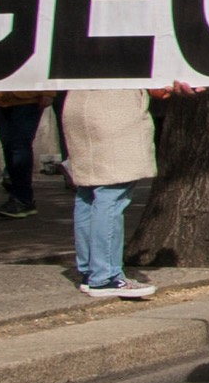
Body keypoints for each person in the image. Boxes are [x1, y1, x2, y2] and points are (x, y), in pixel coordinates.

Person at [59, 89, 160, 298]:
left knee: (87, 192)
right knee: (112, 195)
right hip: (113, 107)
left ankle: (90, 272)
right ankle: (105, 275)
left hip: (78, 103)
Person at [0, 91, 53, 220]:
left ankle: (23, 199)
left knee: (19, 145)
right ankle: (18, 197)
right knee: (9, 146)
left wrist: (48, 91)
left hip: (28, 96)